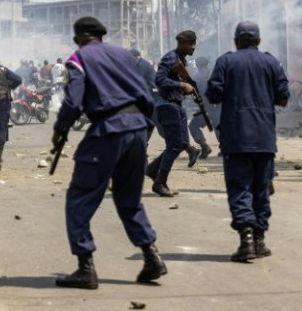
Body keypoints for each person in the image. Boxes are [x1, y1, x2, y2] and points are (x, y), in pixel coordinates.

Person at [52, 16, 166, 289]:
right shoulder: (125, 55)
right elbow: (146, 96)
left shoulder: (78, 58)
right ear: (100, 36)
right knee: (129, 198)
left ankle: (85, 267)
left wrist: (61, 127)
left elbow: (74, 98)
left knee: (80, 196)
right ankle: (151, 256)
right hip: (138, 129)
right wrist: (143, 127)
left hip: (108, 130)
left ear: (80, 37)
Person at [205, 21, 290, 262]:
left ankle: (247, 240)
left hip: (236, 136)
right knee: (261, 189)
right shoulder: (271, 62)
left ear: (236, 41)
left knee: (240, 187)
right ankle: (260, 240)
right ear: (259, 41)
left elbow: (213, 94)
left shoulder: (226, 61)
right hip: (264, 137)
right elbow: (283, 98)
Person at [146, 31, 200, 197]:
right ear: (181, 43)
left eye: (194, 43)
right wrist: (181, 85)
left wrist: (187, 88)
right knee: (175, 145)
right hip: (167, 105)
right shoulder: (170, 58)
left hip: (177, 104)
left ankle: (153, 169)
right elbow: (159, 80)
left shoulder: (181, 60)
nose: (193, 47)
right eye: (190, 43)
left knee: (183, 142)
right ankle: (160, 182)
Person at [188, 56, 216, 160]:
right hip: (216, 107)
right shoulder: (214, 75)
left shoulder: (197, 77)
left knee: (193, 126)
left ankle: (204, 146)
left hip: (206, 107)